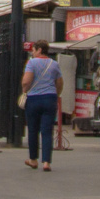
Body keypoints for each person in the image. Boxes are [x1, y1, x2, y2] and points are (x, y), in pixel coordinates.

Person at [22, 42, 63, 171]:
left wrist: (24, 90)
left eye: (33, 50)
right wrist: (55, 94)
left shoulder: (32, 63)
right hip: (50, 99)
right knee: (47, 131)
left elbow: (26, 81)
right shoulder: (54, 64)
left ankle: (33, 160)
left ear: (39, 50)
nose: (32, 53)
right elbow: (60, 82)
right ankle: (46, 162)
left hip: (34, 99)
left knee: (33, 130)